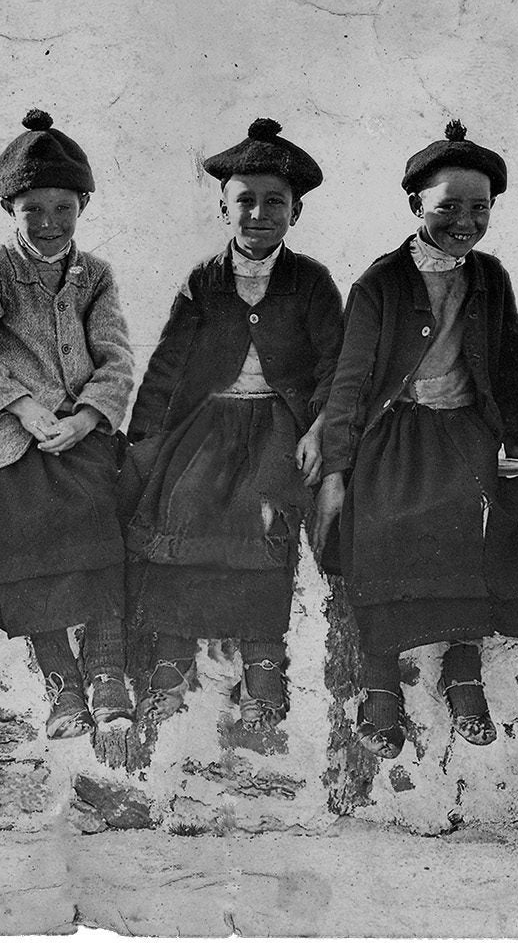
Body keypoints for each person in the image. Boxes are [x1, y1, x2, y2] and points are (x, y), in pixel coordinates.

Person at [313, 120, 518, 759]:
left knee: (482, 527)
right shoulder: (380, 283)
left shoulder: (491, 277)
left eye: (480, 208)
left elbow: (510, 363)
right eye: (448, 207)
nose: (464, 221)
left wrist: (517, 437)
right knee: (380, 526)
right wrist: (339, 465)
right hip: (398, 435)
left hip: (469, 433)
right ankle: (380, 678)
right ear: (417, 207)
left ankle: (463, 667)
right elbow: (351, 382)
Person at [124, 118, 343, 730]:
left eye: (275, 202)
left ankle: (263, 660)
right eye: (244, 201)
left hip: (280, 424)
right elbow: (168, 364)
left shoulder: (312, 282)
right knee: (183, 504)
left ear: (295, 213)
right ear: (224, 209)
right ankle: (171, 657)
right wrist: (145, 439)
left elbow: (335, 363)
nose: (259, 213)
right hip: (208, 424)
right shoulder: (203, 281)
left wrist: (322, 428)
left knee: (264, 511)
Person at [0, 110, 136, 768]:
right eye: (34, 209)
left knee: (106, 515)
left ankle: (108, 668)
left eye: (63, 207)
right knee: (24, 539)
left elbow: (115, 358)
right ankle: (61, 679)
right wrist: (24, 410)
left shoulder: (96, 275)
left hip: (81, 431)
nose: (50, 221)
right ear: (10, 208)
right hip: (13, 435)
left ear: (82, 205)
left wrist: (87, 418)